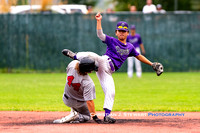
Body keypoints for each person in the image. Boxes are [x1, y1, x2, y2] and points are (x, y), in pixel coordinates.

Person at [62, 12, 163, 123]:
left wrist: (152, 64)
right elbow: (100, 35)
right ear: (116, 32)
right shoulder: (112, 41)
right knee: (93, 55)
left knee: (111, 92)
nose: (121, 33)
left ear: (127, 33)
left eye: (124, 31)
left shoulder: (130, 47)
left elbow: (139, 56)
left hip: (108, 71)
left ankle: (107, 116)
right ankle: (75, 55)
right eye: (119, 31)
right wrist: (99, 21)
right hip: (103, 61)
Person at [53, 57, 101, 124]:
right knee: (87, 116)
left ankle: (73, 110)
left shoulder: (72, 64)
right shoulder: (88, 82)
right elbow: (89, 101)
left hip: (66, 98)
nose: (91, 70)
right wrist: (94, 116)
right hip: (78, 103)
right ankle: (76, 115)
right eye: (91, 69)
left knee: (75, 97)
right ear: (86, 70)